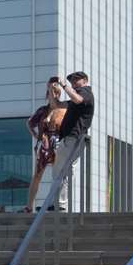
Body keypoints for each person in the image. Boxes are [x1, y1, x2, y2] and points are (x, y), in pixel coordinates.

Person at [37, 72, 93, 211]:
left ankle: (59, 204)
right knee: (60, 171)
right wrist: (51, 90)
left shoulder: (85, 92)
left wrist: (64, 85)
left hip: (74, 137)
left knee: (63, 171)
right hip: (70, 138)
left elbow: (78, 99)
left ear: (85, 80)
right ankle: (56, 203)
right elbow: (57, 105)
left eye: (76, 80)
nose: (74, 82)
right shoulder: (76, 99)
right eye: (72, 80)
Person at [24, 79, 66, 210]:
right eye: (51, 92)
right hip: (45, 143)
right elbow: (29, 123)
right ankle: (29, 206)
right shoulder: (43, 110)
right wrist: (36, 135)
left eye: (56, 92)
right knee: (37, 175)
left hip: (59, 143)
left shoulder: (64, 108)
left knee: (58, 174)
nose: (53, 95)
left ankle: (57, 203)